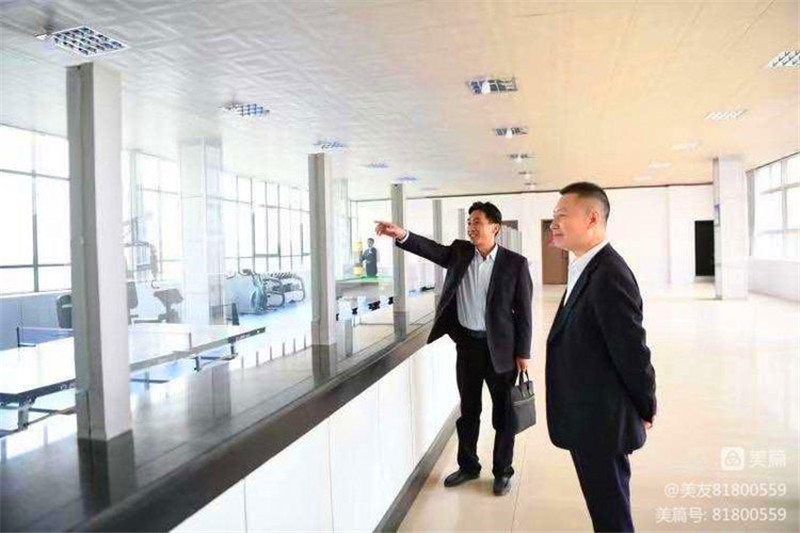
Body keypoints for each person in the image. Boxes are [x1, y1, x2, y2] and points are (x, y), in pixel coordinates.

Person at [375, 202, 532, 496]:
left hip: (501, 351)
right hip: (468, 346)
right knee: (469, 409)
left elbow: (524, 312)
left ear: (495, 227)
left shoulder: (515, 264)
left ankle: (502, 471)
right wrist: (402, 234)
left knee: (504, 414)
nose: (471, 227)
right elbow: (431, 250)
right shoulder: (460, 253)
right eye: (469, 222)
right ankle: (468, 466)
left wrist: (523, 353)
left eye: (477, 222)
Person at [546, 182, 657, 532]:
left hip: (602, 422)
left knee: (612, 517)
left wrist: (646, 405)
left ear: (592, 218)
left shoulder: (609, 274)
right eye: (554, 216)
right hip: (588, 417)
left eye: (562, 215)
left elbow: (632, 351)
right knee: (605, 510)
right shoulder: (586, 266)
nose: (554, 224)